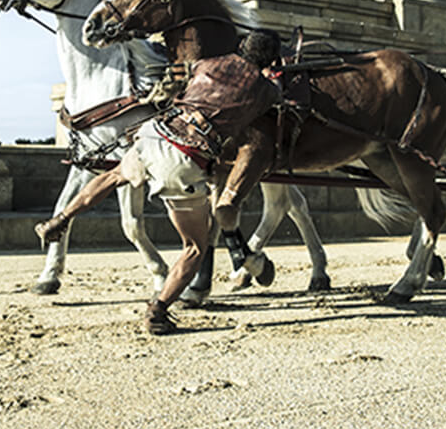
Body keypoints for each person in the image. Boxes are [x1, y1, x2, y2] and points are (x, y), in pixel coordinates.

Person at [34, 29, 284, 335]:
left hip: (154, 134)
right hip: (183, 158)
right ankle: (158, 311)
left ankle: (60, 219)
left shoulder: (209, 64)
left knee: (113, 176)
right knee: (194, 246)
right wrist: (274, 76)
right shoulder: (264, 89)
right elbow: (278, 100)